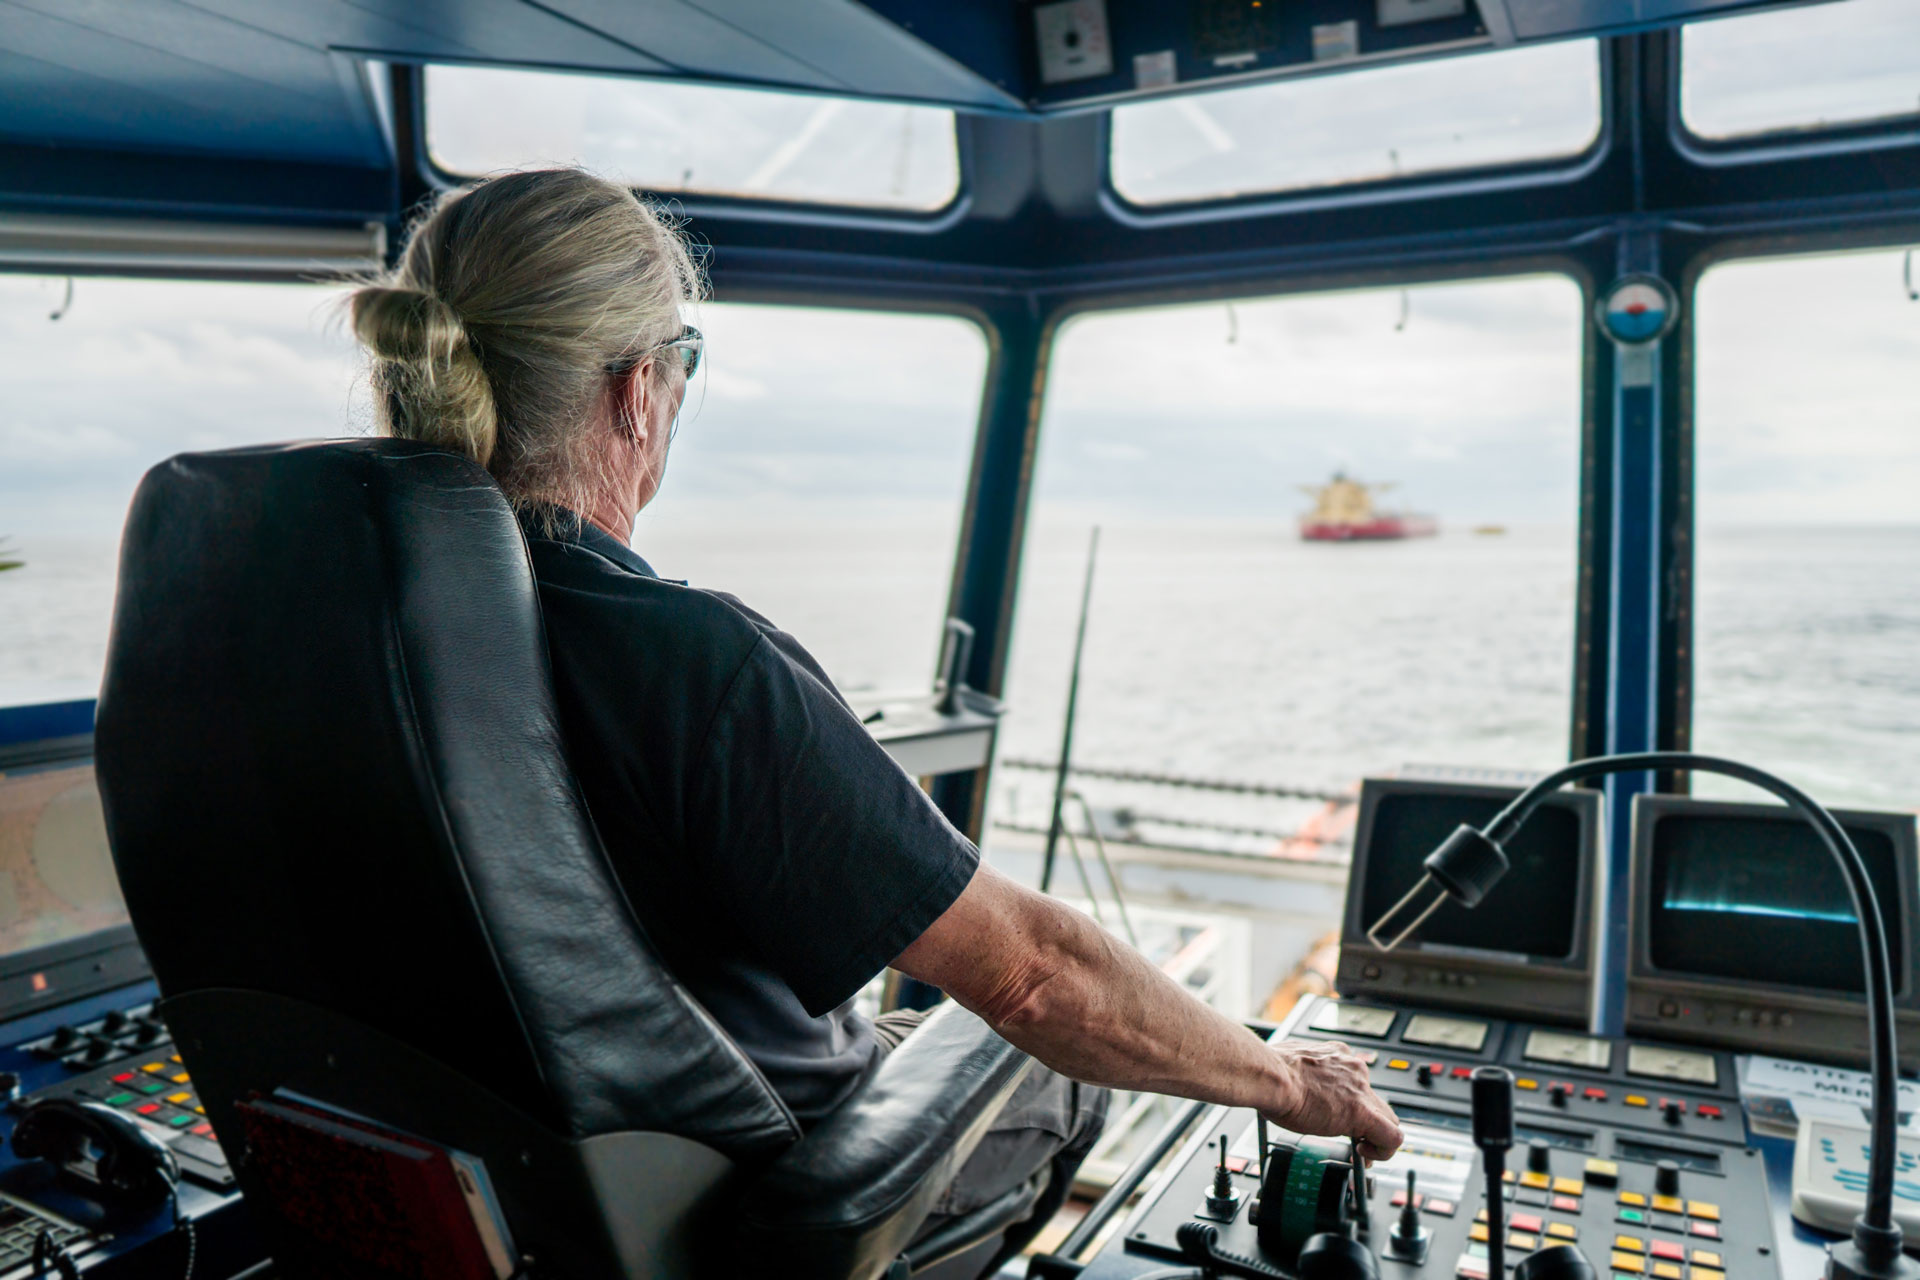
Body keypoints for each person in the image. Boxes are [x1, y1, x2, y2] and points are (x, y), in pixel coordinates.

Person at [348, 167, 1402, 1261]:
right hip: (713, 1189)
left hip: (447, 1161)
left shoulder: (329, 628)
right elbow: (1034, 972)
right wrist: (1285, 1074)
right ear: (635, 390)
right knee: (1050, 1069)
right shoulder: (690, 660)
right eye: (683, 366)